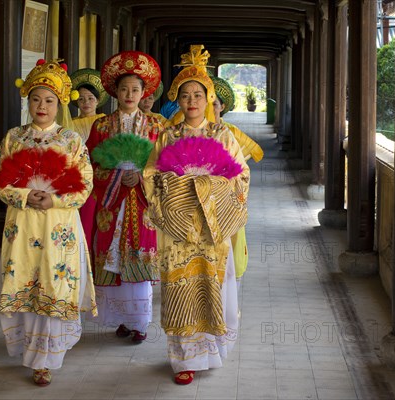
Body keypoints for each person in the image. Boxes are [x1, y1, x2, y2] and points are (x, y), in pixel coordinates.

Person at [143, 45, 249, 385]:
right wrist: (173, 186)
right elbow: (151, 176)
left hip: (211, 226)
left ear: (208, 98)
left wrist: (204, 184)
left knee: (211, 285)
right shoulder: (168, 136)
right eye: (186, 94)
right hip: (178, 227)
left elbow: (240, 177)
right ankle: (183, 359)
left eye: (198, 94)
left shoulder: (224, 135)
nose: (192, 101)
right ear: (178, 100)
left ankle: (211, 350)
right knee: (179, 289)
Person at [0, 59, 96, 387]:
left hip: (58, 227)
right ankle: (29, 351)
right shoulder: (14, 138)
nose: (42, 106)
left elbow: (86, 181)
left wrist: (55, 198)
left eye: (49, 100)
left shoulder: (71, 141)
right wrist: (23, 195)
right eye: (36, 99)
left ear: (59, 104)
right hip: (22, 225)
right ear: (28, 102)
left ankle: (46, 360)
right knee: (23, 281)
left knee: (54, 283)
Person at [87, 51, 164, 344]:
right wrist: (116, 175)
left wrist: (142, 175)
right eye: (124, 89)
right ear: (115, 93)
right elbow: (92, 164)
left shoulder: (157, 127)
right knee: (113, 261)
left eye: (135, 89)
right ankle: (122, 318)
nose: (130, 94)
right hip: (112, 202)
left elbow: (164, 165)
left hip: (142, 205)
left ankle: (140, 322)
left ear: (145, 93)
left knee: (139, 261)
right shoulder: (101, 127)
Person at [211, 75, 263, 285]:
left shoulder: (230, 132)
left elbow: (243, 169)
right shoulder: (187, 130)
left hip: (224, 196)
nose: (209, 107)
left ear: (222, 106)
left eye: (214, 104)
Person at [69, 68, 109, 254]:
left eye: (90, 98)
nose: (86, 103)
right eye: (82, 98)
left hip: (99, 175)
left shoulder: (104, 121)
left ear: (98, 100)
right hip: (77, 175)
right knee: (81, 218)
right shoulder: (70, 123)